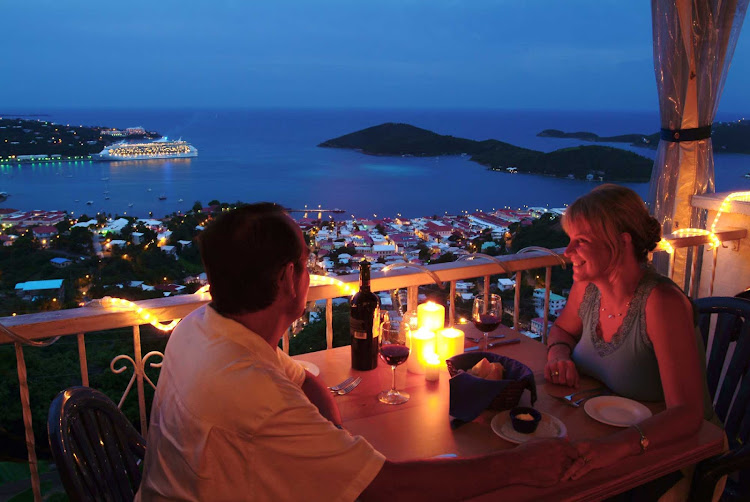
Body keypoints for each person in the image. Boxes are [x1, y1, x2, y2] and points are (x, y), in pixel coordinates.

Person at [136, 202, 578, 502]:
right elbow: (383, 487)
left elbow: (303, 378)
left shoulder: (201, 328)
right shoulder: (249, 388)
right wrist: (517, 465)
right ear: (290, 279)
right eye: (307, 264)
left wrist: (333, 442)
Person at [543, 184, 712, 493]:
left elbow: (688, 414)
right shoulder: (588, 288)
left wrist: (615, 447)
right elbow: (563, 330)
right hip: (601, 434)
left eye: (580, 241)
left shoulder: (661, 304)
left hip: (666, 454)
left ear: (621, 243)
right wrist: (558, 354)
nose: (567, 253)